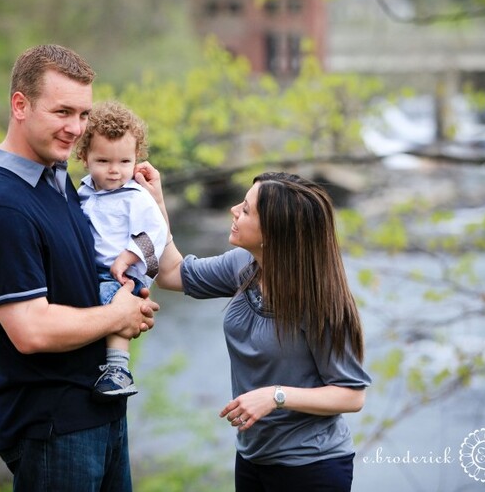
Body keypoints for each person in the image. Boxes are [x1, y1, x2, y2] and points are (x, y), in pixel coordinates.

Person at [0, 44, 159, 491]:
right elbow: (30, 330)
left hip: (100, 411)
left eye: (84, 114)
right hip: (52, 426)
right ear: (20, 105)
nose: (76, 129)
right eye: (63, 111)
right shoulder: (1, 205)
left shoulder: (56, 180)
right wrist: (118, 315)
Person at [148, 171, 371, 492]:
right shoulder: (245, 267)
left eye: (247, 210)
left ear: (273, 232)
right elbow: (170, 274)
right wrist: (155, 200)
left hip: (312, 467)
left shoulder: (319, 303)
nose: (233, 210)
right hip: (253, 458)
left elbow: (352, 395)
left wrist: (276, 396)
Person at [74, 100, 169, 399]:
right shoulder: (84, 192)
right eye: (104, 162)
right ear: (84, 157)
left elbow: (156, 232)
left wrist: (127, 257)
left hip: (126, 273)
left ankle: (119, 370)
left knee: (113, 301)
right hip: (96, 269)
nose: (115, 171)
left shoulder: (135, 197)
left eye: (124, 162)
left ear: (136, 158)